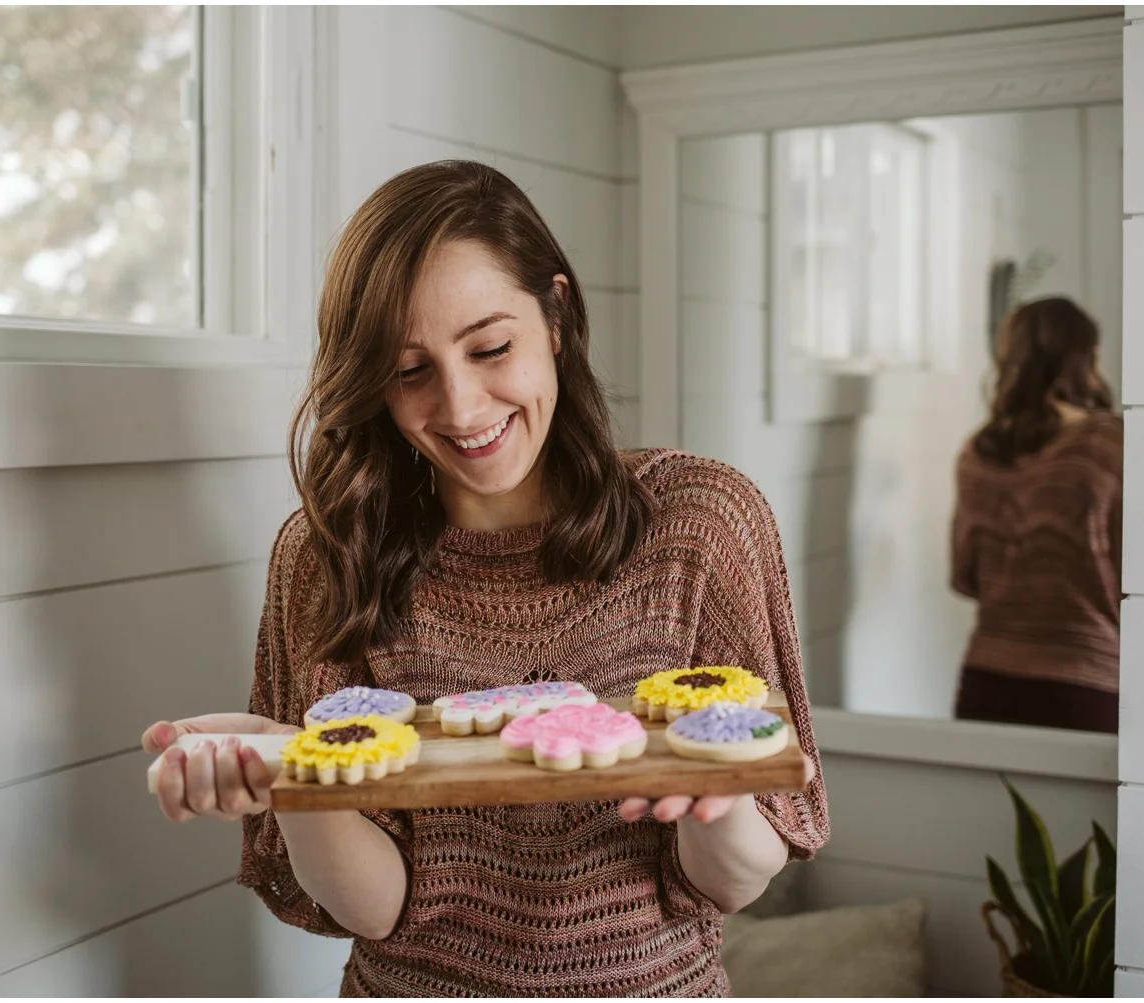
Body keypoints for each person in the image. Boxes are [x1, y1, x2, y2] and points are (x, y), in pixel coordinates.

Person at [141, 161, 828, 996]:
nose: (462, 407)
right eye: (409, 370)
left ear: (558, 315)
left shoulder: (701, 523)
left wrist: (711, 798)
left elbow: (734, 881)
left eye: (490, 347)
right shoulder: (331, 554)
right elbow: (377, 907)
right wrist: (294, 773)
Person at [951, 296, 1122, 733]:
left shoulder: (978, 451)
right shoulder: (1110, 444)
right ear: (1090, 358)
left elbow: (964, 577)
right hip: (1087, 684)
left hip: (987, 682)